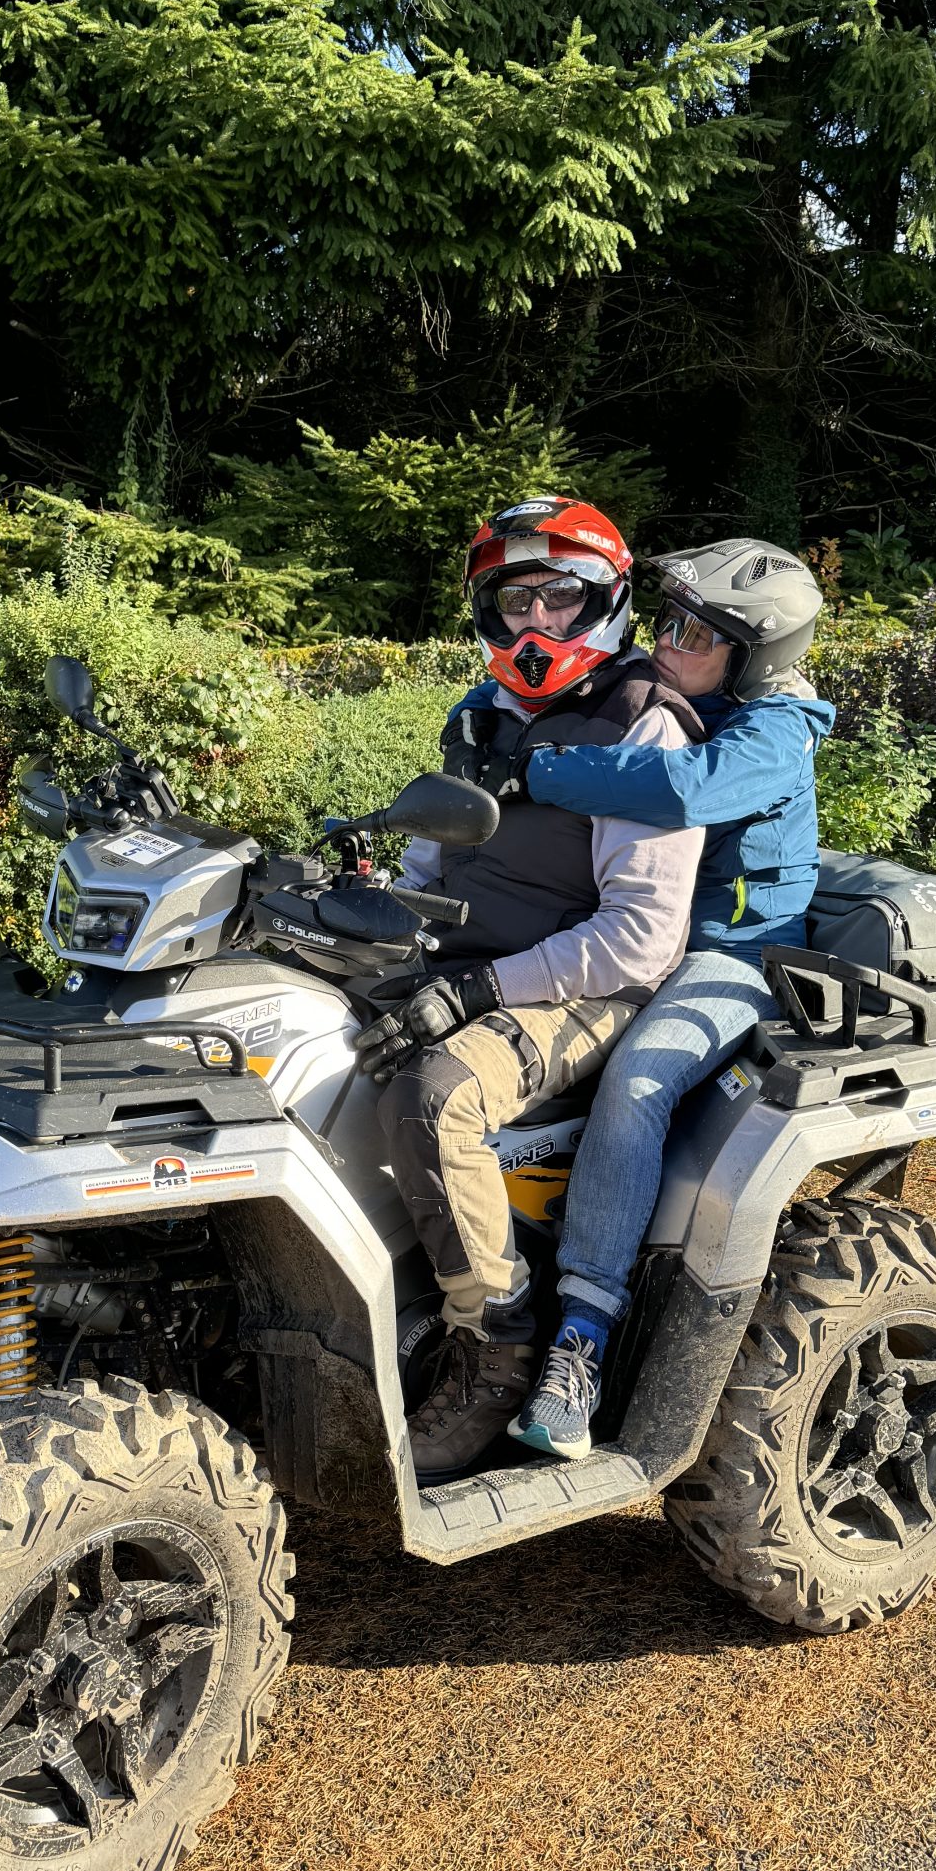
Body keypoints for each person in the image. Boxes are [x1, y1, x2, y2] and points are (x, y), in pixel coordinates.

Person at [449, 539, 831, 1462]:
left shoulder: (775, 729)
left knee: (636, 1083)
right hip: (646, 942)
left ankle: (579, 1342)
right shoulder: (657, 698)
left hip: (730, 956)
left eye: (695, 634)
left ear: (757, 656)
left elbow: (681, 789)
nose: (666, 642)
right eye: (665, 621)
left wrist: (533, 770)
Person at [354, 498, 704, 1482]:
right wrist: (357, 907)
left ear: (606, 603)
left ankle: (498, 1342)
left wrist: (479, 991)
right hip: (468, 968)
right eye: (516, 601)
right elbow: (428, 866)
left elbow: (641, 938)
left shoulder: (644, 728)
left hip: (585, 987)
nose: (536, 622)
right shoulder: (480, 715)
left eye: (561, 598)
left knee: (435, 1095)